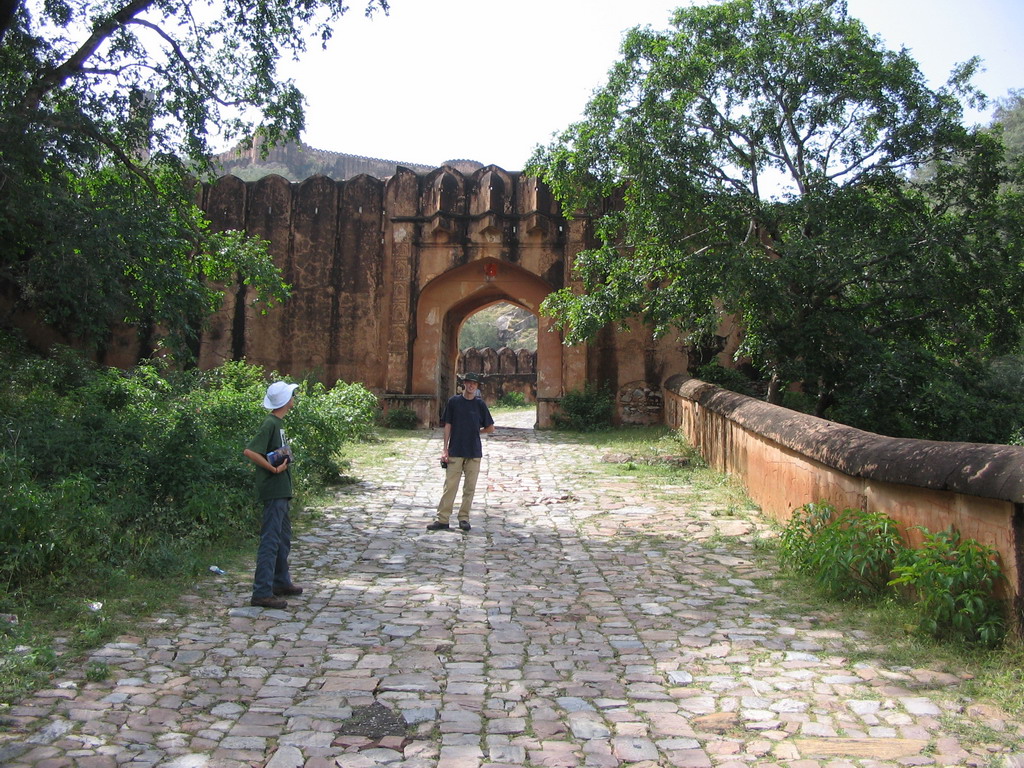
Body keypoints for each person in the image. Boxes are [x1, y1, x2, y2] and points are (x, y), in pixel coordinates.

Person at [243, 381, 303, 609]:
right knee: (270, 540)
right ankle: (261, 592)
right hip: (273, 490)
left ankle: (280, 581)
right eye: (291, 395)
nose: (294, 398)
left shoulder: (278, 423)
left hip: (282, 490)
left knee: (282, 538)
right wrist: (273, 468)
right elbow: (250, 450)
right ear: (285, 400)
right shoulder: (269, 423)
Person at [427, 372, 495, 532]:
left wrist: (476, 432)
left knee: (469, 488)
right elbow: (447, 425)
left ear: (477, 386)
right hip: (455, 450)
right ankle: (442, 519)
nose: (471, 386)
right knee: (450, 486)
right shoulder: (454, 402)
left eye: (474, 384)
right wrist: (445, 449)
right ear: (464, 383)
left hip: (473, 451)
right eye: (469, 383)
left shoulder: (480, 405)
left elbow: (491, 427)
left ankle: (464, 518)